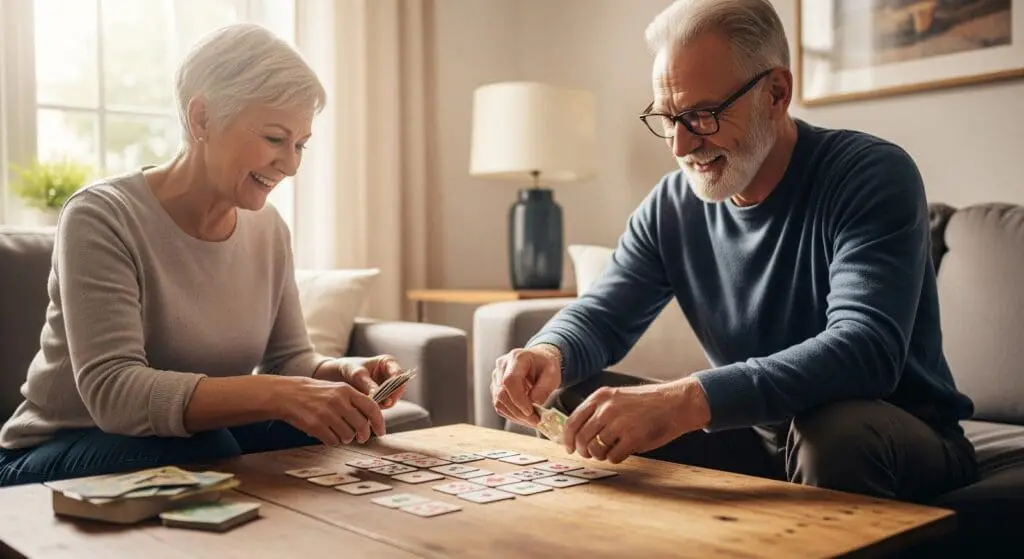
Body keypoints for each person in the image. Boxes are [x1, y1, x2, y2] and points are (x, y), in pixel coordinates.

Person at [490, 0, 978, 502]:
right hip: (761, 439)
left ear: (776, 92)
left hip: (896, 438)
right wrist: (547, 353)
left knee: (833, 430)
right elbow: (603, 316)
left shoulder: (870, 175)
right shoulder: (671, 205)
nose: (680, 145)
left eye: (701, 116)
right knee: (574, 402)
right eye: (668, 118)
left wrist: (687, 399)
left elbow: (864, 350)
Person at [0, 23, 409, 487]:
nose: (292, 165)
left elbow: (289, 359)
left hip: (189, 439)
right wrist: (282, 394)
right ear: (202, 119)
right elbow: (114, 393)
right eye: (275, 139)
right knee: (208, 450)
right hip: (51, 451)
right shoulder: (101, 216)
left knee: (329, 432)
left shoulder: (269, 228)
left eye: (300, 145)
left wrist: (340, 374)